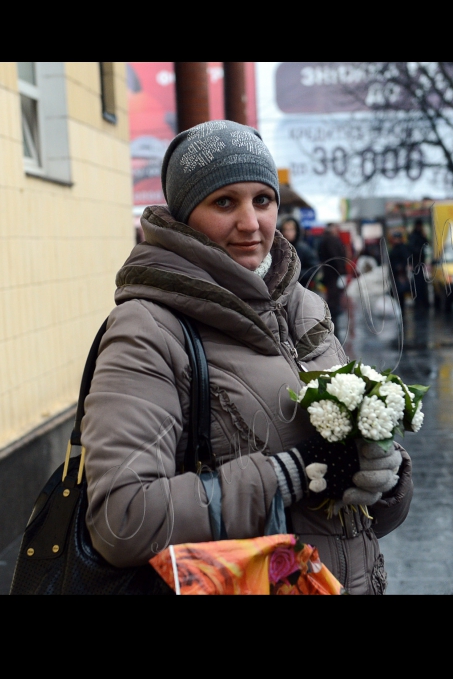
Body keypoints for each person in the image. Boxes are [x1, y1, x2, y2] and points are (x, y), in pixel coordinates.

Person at [81, 120, 413, 594]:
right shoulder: (150, 328)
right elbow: (124, 518)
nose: (250, 222)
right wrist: (293, 474)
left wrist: (385, 471)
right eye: (223, 202)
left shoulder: (304, 307)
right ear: (183, 214)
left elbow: (361, 517)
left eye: (263, 200)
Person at [317, 223, 348, 332]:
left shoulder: (325, 239)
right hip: (333, 273)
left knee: (332, 294)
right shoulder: (331, 240)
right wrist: (341, 269)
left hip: (329, 272)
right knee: (334, 294)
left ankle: (333, 312)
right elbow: (336, 256)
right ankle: (333, 314)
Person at [279, 216, 319, 288]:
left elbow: (314, 268)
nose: (287, 233)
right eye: (285, 230)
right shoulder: (279, 249)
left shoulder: (304, 249)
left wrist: (296, 274)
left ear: (296, 231)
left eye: (291, 230)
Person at [407, 220, 430, 310]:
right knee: (418, 281)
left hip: (420, 262)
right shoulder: (414, 236)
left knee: (421, 281)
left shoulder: (419, 235)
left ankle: (422, 299)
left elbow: (426, 243)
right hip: (416, 262)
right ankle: (419, 300)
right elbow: (412, 248)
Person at [388, 230, 412, 314]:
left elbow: (406, 259)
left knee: (400, 292)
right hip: (395, 274)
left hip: (400, 274)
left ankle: (401, 309)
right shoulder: (394, 248)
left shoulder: (402, 248)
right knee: (396, 292)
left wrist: (401, 267)